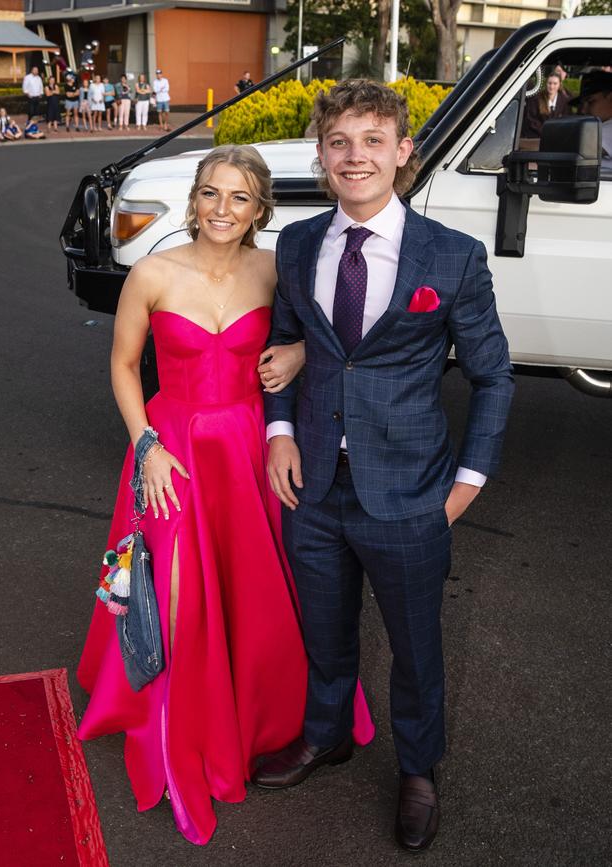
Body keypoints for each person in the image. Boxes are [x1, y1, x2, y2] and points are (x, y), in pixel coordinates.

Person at [75, 144, 375, 845]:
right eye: (211, 193)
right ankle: (184, 721)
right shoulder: (151, 271)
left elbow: (326, 340)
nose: (222, 209)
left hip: (249, 447)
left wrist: (297, 352)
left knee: (262, 584)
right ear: (194, 200)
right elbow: (123, 365)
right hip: (172, 451)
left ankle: (269, 711)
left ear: (259, 209)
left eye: (239, 197)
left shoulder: (276, 269)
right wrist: (145, 443)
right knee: (173, 591)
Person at [252, 80, 515, 854]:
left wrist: (466, 486)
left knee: (415, 646)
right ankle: (326, 735)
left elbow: (494, 376)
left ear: (404, 153)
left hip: (411, 494)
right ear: (322, 154)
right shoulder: (298, 245)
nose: (354, 156)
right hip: (314, 489)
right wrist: (277, 429)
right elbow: (288, 340)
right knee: (325, 633)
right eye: (339, 142)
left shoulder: (453, 257)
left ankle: (418, 769)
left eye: (373, 140)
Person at [570, 70, 612, 169]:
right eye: (582, 104)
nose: (583, 110)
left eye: (590, 101)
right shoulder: (600, 126)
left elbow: (571, 146)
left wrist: (526, 144)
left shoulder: (609, 129)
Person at [522, 72, 570, 137]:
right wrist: (546, 131)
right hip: (538, 137)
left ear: (559, 85)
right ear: (546, 83)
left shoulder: (564, 101)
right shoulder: (536, 98)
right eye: (549, 83)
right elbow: (531, 119)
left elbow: (566, 120)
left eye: (555, 84)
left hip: (558, 136)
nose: (552, 86)